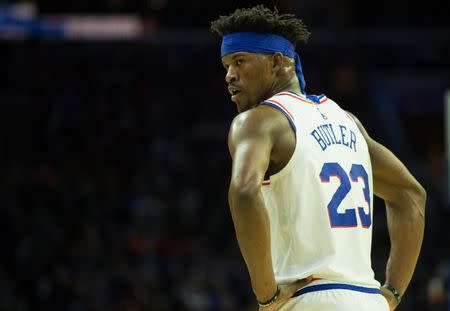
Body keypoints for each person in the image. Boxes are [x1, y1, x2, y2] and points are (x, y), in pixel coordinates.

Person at [210, 5, 426, 311]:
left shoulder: (258, 122)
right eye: (226, 66)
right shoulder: (348, 121)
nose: (230, 75)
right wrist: (392, 292)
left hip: (307, 298)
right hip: (368, 299)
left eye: (240, 61)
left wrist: (266, 294)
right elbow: (411, 194)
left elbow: (244, 192)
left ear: (276, 62)